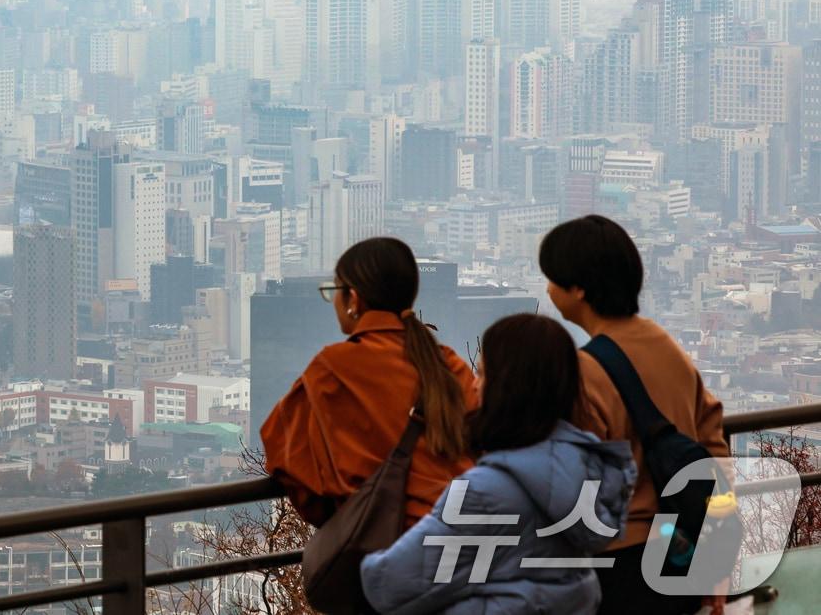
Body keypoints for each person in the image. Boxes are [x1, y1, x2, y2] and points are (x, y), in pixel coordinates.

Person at [360, 314, 636, 614]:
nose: (475, 386)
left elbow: (388, 585)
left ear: (506, 387)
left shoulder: (486, 493)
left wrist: (361, 557)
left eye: (481, 374)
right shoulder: (583, 470)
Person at [539, 214, 728, 614]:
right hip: (681, 545)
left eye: (552, 278)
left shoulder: (585, 371)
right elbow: (713, 442)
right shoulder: (666, 345)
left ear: (578, 289)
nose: (548, 288)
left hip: (623, 556)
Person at [261, 237, 479, 529]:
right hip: (458, 541)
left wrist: (335, 515)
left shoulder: (335, 367)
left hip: (385, 547)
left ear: (353, 300)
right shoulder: (449, 364)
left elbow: (283, 453)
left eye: (335, 292)